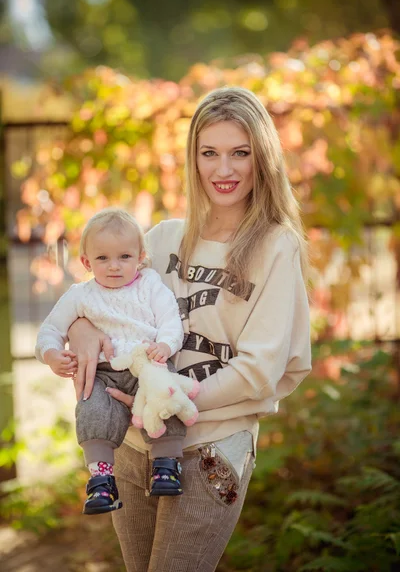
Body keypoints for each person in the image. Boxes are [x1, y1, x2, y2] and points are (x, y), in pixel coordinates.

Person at [68, 86, 312, 571]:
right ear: (193, 159)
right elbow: (96, 300)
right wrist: (79, 329)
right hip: (133, 447)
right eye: (210, 153)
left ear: (261, 158)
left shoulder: (276, 247)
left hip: (209, 449)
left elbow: (259, 370)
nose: (224, 170)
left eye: (240, 153)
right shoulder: (160, 239)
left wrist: (169, 396)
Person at [36, 208, 200, 515]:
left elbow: (170, 320)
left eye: (124, 257)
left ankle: (166, 465)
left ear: (140, 255)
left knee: (165, 396)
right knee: (92, 407)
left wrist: (165, 345)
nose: (114, 267)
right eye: (102, 259)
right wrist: (51, 355)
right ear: (86, 262)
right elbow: (49, 330)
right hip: (103, 372)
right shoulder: (80, 295)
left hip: (147, 363)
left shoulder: (150, 285)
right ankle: (102, 479)